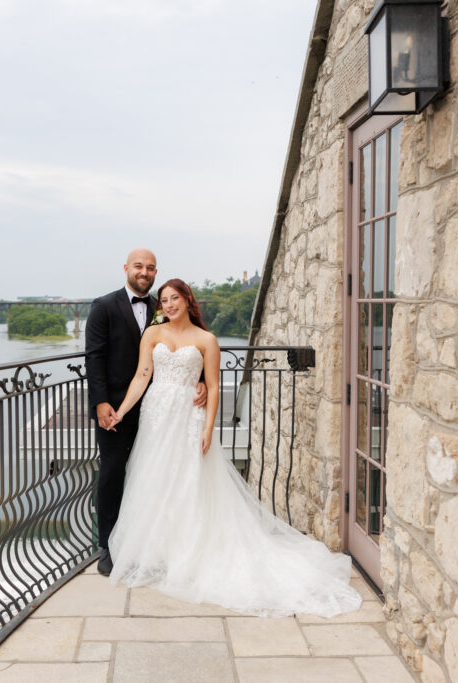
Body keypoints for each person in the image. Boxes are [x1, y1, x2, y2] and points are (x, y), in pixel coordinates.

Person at [105, 278, 362, 617]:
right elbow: (142, 376)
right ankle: (160, 551)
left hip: (187, 418)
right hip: (155, 417)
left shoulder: (206, 340)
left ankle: (189, 552)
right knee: (155, 478)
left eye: (174, 299)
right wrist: (121, 411)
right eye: (164, 300)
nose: (168, 305)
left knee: (188, 482)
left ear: (186, 300)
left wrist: (209, 429)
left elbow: (212, 387)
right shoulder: (152, 334)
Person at [85, 249, 206, 576]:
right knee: (112, 473)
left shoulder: (162, 305)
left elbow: (191, 345)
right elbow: (94, 357)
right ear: (126, 268)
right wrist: (101, 403)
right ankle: (108, 546)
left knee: (155, 473)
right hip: (115, 407)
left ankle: (150, 543)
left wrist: (204, 380)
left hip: (160, 410)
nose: (144, 272)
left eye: (150, 268)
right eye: (139, 266)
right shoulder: (103, 306)